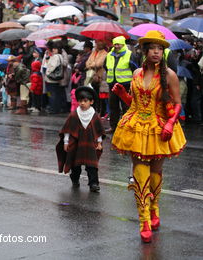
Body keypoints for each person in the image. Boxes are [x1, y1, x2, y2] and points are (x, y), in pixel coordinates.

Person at [111, 31, 186, 243]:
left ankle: (154, 208)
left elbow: (178, 103)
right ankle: (144, 220)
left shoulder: (169, 74)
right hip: (136, 127)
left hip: (159, 128)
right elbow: (134, 104)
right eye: (152, 48)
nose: (156, 52)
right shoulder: (136, 74)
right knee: (140, 173)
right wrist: (123, 95)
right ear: (144, 51)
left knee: (156, 171)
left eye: (160, 48)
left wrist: (171, 123)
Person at [56, 86, 105, 192]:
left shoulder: (94, 115)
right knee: (75, 164)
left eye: (85, 101)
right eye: (80, 101)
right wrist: (66, 142)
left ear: (91, 102)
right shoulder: (74, 115)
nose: (82, 103)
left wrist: (99, 142)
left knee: (92, 165)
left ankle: (93, 184)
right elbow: (68, 130)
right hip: (76, 143)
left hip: (90, 144)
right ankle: (74, 179)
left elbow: (99, 131)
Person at [104, 36, 138, 132]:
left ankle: (126, 127)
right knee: (113, 107)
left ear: (123, 44)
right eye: (115, 44)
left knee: (126, 107)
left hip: (125, 85)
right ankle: (113, 127)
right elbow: (106, 67)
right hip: (112, 85)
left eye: (118, 44)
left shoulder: (130, 55)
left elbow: (136, 69)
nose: (116, 46)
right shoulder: (109, 55)